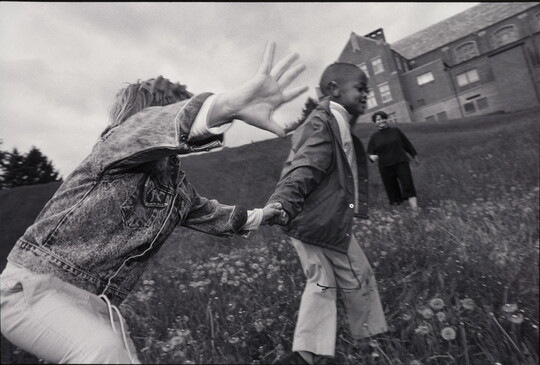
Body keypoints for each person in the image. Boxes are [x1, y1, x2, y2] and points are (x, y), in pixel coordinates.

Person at [0, 42, 308, 364]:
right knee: (103, 353)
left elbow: (215, 215)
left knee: (121, 356)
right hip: (35, 287)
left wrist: (262, 216)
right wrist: (227, 105)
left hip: (97, 306)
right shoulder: (114, 147)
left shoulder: (178, 189)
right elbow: (154, 128)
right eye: (172, 111)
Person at [267, 63, 388, 365]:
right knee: (346, 275)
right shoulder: (325, 121)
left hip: (318, 219)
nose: (366, 95)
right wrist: (284, 202)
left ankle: (313, 353)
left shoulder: (338, 121)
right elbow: (306, 164)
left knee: (329, 279)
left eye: (367, 91)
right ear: (334, 89)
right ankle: (362, 343)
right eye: (360, 88)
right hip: (311, 219)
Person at [367, 110, 420, 211]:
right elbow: (370, 153)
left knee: (407, 184)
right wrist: (372, 157)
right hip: (385, 166)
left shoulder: (396, 131)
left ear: (386, 120)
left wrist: (414, 156)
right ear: (375, 122)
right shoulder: (374, 137)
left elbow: (407, 144)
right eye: (378, 120)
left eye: (383, 118)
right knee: (392, 189)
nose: (381, 121)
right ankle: (399, 212)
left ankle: (415, 209)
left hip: (401, 162)